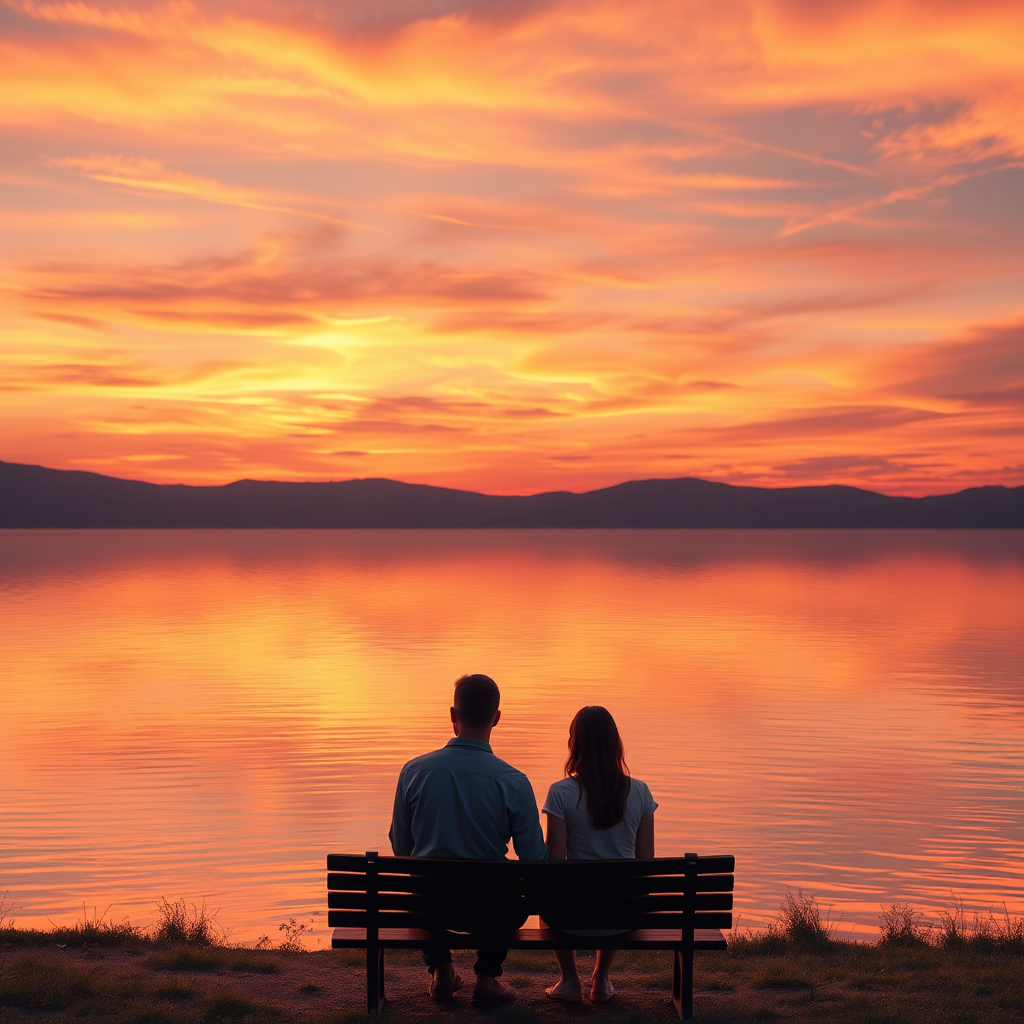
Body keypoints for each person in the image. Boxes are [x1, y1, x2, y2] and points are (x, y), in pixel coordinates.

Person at [389, 673, 548, 1005]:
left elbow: (402, 848)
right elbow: (535, 861)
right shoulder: (514, 782)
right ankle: (487, 978)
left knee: (420, 880)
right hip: (491, 911)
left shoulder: (413, 772)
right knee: (515, 890)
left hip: (427, 907)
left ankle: (441, 970)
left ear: (452, 715)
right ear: (497, 718)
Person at [541, 706, 657, 1004]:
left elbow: (555, 862)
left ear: (574, 744)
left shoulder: (561, 793)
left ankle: (569, 980)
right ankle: (601, 979)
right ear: (616, 744)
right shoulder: (640, 793)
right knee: (620, 889)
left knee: (547, 897)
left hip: (570, 916)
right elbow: (645, 862)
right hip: (624, 914)